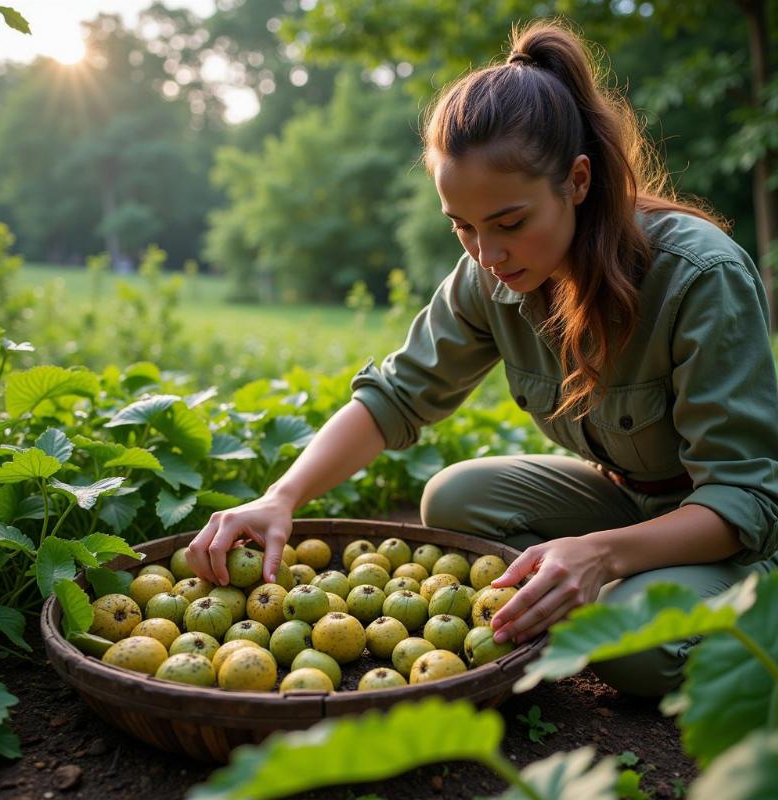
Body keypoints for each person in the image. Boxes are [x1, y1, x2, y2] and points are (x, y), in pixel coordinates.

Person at [186, 19, 778, 696]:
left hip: (737, 532)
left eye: (509, 223)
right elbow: (395, 397)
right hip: (631, 504)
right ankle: (628, 582)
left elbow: (742, 500)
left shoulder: (699, 276)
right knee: (457, 499)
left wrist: (601, 552)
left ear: (577, 182)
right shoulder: (488, 278)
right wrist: (281, 496)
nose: (486, 256)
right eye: (462, 227)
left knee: (632, 652)